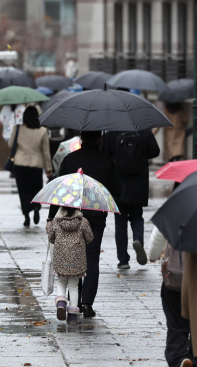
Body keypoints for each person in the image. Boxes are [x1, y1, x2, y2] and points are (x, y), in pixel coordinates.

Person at [48, 130, 121, 318]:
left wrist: (50, 218)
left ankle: (75, 301)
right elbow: (117, 191)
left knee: (74, 253)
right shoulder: (106, 161)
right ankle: (87, 303)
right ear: (99, 138)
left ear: (81, 138)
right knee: (92, 257)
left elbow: (59, 189)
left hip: (72, 215)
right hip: (96, 218)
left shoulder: (70, 160)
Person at [147, 184, 194, 367]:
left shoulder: (172, 209)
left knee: (175, 322)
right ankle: (195, 358)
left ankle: (179, 358)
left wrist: (152, 256)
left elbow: (158, 236)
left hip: (174, 277)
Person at [102, 129, 160, 269]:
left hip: (118, 182)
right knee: (137, 215)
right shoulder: (143, 130)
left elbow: (103, 152)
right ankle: (138, 239)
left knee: (120, 222)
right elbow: (155, 151)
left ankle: (123, 260)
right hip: (138, 182)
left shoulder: (112, 133)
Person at [8, 106, 53, 226]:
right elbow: (46, 151)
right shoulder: (43, 131)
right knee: (36, 189)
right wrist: (49, 168)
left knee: (23, 192)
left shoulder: (17, 129)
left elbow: (10, 144)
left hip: (20, 164)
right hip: (36, 165)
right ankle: (36, 207)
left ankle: (26, 216)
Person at [48, 206, 94, 322]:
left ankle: (61, 303)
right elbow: (89, 238)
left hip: (61, 260)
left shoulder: (56, 222)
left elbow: (51, 238)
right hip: (76, 261)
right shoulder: (83, 222)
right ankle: (73, 316)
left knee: (61, 281)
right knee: (74, 286)